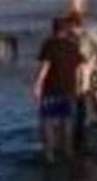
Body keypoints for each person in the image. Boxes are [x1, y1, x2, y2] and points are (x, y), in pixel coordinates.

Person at [33, 16, 89, 163]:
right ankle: (68, 152)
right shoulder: (73, 45)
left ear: (53, 29)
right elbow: (82, 66)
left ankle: (49, 155)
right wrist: (81, 85)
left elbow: (45, 66)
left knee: (48, 121)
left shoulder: (48, 44)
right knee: (67, 121)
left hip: (51, 90)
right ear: (65, 30)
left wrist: (37, 84)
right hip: (69, 90)